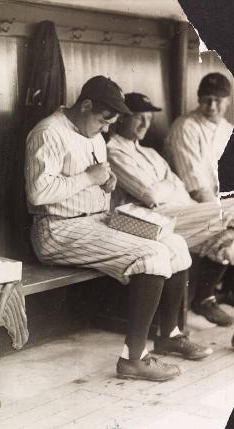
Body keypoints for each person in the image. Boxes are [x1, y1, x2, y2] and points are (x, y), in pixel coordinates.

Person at [25, 76, 211, 383]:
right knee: (152, 255)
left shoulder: (94, 133)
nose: (106, 129)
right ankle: (132, 360)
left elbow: (94, 178)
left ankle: (170, 335)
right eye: (103, 120)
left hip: (94, 221)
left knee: (174, 244)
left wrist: (106, 183)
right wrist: (90, 178)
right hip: (57, 230)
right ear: (85, 105)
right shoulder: (48, 132)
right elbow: (37, 193)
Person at [107, 91, 234, 327]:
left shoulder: (150, 153)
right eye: (138, 117)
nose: (145, 123)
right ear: (121, 118)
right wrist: (166, 185)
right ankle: (199, 304)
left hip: (177, 212)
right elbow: (150, 195)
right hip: (147, 219)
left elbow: (179, 190)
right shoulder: (113, 151)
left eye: (149, 118)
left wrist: (163, 186)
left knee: (229, 239)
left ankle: (203, 302)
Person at [165, 72, 233, 204]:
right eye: (206, 99)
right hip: (190, 204)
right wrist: (221, 214)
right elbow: (196, 189)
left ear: (228, 100)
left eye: (217, 100)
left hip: (222, 202)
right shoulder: (185, 127)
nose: (212, 106)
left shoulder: (228, 129)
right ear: (198, 99)